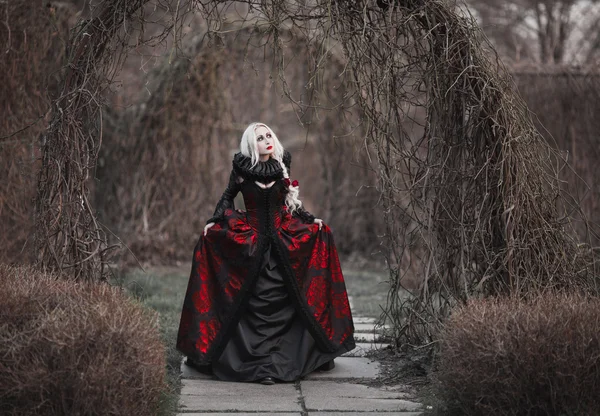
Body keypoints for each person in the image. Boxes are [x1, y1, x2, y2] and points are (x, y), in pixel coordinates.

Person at [176, 122, 355, 385]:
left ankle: (290, 358)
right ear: (252, 144)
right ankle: (252, 364)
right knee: (245, 298)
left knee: (295, 293)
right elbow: (228, 197)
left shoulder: (283, 162)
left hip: (283, 239)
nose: (267, 140)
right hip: (251, 243)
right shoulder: (241, 168)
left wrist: (309, 218)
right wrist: (214, 221)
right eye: (260, 138)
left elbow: (290, 201)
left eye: (269, 134)